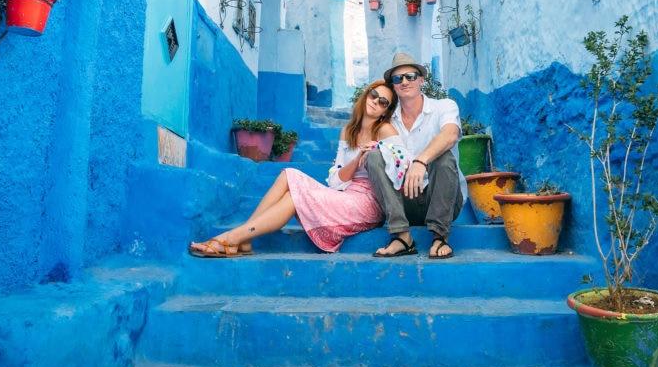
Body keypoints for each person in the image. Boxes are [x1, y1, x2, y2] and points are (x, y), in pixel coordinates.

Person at [189, 80, 410, 257]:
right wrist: (357, 158)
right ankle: (244, 238)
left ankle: (232, 238)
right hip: (347, 193)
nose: (376, 102)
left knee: (294, 198)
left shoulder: (385, 130)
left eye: (383, 102)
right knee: (289, 174)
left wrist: (378, 152)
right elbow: (336, 180)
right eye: (374, 95)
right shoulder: (348, 132)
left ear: (385, 111)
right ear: (366, 95)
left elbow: (402, 165)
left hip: (369, 202)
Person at [366, 53, 464, 260]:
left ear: (421, 80)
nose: (404, 82)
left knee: (443, 156)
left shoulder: (444, 106)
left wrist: (420, 161)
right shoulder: (387, 120)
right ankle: (402, 237)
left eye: (410, 76)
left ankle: (440, 237)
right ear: (393, 86)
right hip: (403, 203)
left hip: (442, 199)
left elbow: (450, 135)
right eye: (397, 78)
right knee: (373, 156)